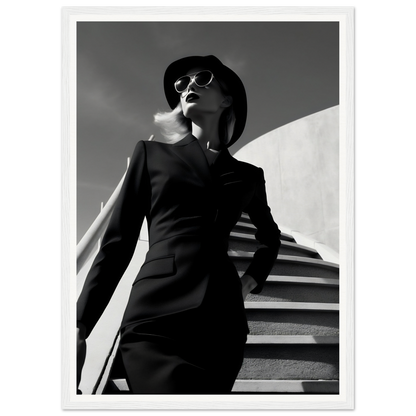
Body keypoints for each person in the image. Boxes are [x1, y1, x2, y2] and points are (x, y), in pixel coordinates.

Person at [77, 55, 281, 394]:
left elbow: (269, 238)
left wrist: (248, 282)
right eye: (180, 83)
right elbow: (118, 243)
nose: (188, 87)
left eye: (201, 79)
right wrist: (80, 321)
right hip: (156, 316)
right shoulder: (151, 154)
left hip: (221, 322)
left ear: (226, 99)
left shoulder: (248, 176)